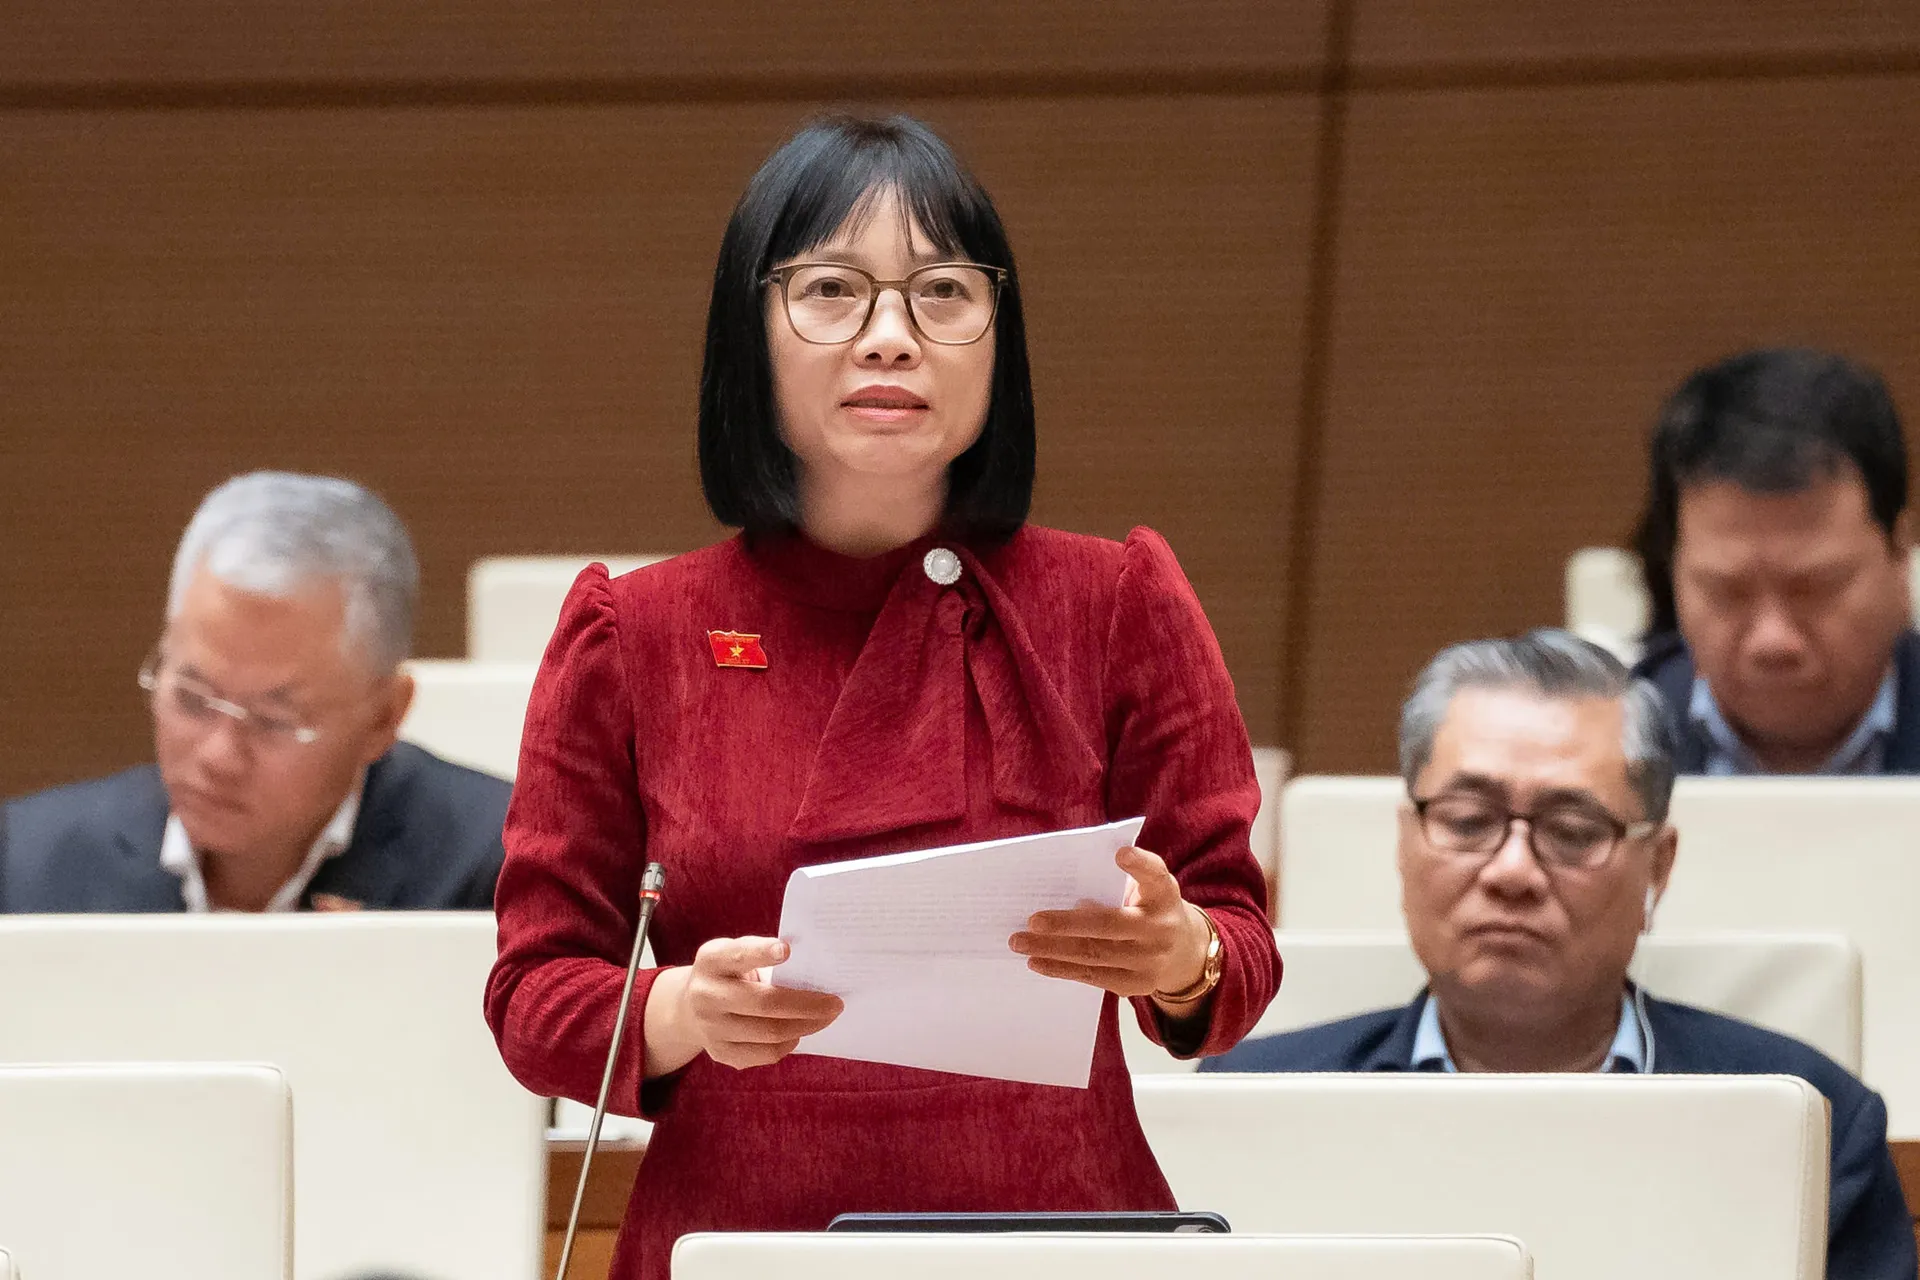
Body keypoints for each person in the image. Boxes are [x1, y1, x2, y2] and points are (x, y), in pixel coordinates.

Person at [485, 115, 1281, 1280]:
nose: (892, 338)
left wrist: (1180, 952)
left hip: (1059, 1245)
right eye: (832, 291)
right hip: (736, 1244)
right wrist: (680, 1010)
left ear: (998, 336)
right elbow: (531, 993)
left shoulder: (1117, 602)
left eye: (943, 292)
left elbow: (1240, 946)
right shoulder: (635, 630)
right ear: (750, 332)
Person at [1203, 630, 1915, 1280]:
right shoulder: (1252, 1103)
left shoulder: (1809, 1126)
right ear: (1405, 842)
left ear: (1658, 866)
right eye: (1468, 821)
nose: (1512, 871)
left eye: (1573, 830)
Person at [0, 471, 508, 912]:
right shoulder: (24, 867)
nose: (219, 756)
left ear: (384, 718)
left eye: (273, 721)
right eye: (192, 699)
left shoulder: (501, 871)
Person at [1630, 348, 1919, 773]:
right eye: (1726, 591)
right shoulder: (1602, 755)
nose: (1773, 641)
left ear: (1901, 554)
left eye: (1816, 588)